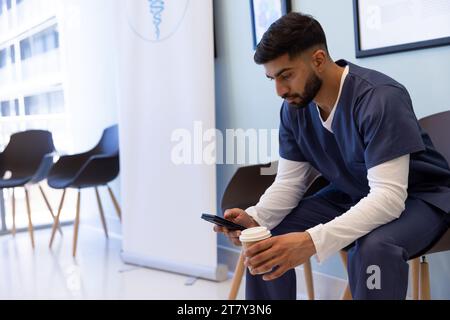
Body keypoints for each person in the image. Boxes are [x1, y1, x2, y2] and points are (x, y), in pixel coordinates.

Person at [214, 12, 450, 300]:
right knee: (267, 237)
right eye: (272, 78)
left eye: (286, 75)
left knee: (373, 247)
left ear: (318, 59)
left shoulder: (380, 98)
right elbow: (289, 184)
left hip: (420, 198)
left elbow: (388, 198)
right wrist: (255, 218)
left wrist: (312, 241)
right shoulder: (295, 108)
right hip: (353, 191)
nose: (279, 90)